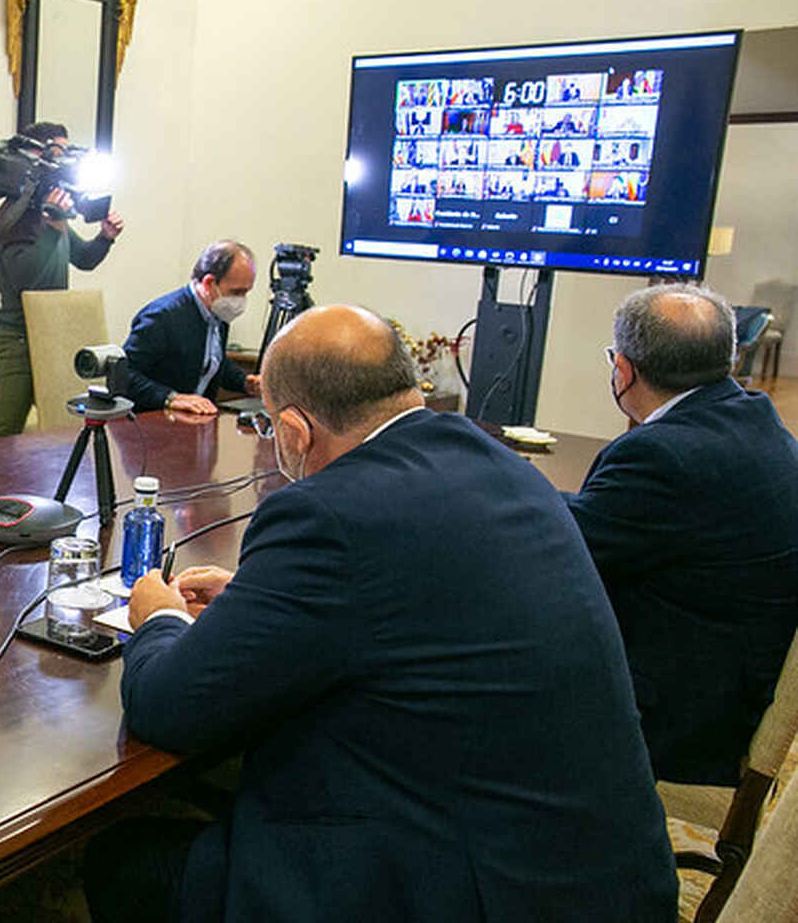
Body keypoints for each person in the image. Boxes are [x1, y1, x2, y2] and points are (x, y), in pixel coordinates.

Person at [87, 305, 676, 923]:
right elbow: (411, 599)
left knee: (123, 860)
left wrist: (157, 618)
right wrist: (260, 601)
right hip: (597, 875)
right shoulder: (502, 466)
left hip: (470, 887)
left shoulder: (328, 514)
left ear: (292, 430)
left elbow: (169, 708)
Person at [566, 284, 798, 786]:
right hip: (733, 690)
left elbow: (562, 553)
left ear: (622, 369)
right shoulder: (758, 422)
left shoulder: (661, 456)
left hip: (677, 722)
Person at [0, 121, 126, 438]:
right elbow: (26, 279)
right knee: (5, 429)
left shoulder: (53, 215)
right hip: (17, 336)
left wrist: (104, 238)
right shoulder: (14, 215)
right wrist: (53, 226)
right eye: (58, 155)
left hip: (52, 332)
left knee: (62, 425)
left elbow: (84, 259)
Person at [122, 240, 260, 415]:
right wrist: (171, 397)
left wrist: (244, 382)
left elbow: (211, 360)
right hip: (151, 423)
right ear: (209, 283)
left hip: (195, 423)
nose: (241, 301)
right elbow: (124, 375)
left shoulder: (218, 312)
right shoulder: (161, 317)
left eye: (246, 292)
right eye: (236, 292)